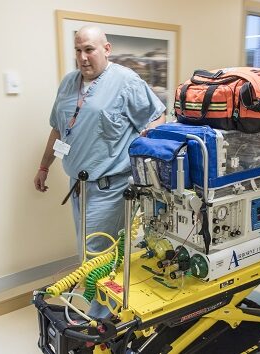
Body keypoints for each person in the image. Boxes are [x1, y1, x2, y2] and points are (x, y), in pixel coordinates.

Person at [34, 25, 166, 260]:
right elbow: (58, 128)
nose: (82, 58)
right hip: (77, 186)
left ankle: (97, 298)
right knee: (89, 252)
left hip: (110, 188)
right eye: (77, 50)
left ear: (107, 49)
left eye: (89, 49)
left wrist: (144, 143)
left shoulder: (126, 81)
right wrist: (44, 167)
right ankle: (102, 294)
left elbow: (157, 116)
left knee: (96, 257)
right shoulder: (68, 83)